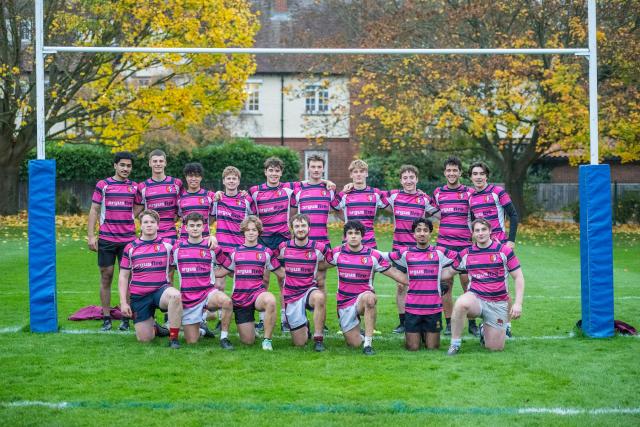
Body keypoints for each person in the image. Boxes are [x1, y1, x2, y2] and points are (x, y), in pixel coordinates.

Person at [325, 220, 408, 356]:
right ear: (345, 236)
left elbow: (395, 273)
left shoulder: (373, 255)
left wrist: (426, 281)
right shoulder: (337, 253)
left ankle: (368, 344)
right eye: (350, 233)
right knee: (353, 343)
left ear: (362, 236)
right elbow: (320, 266)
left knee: (370, 299)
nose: (353, 236)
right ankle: (359, 335)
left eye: (357, 233)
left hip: (362, 297)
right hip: (344, 302)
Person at [445, 219, 525, 355]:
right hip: (476, 298)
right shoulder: (466, 253)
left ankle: (484, 329)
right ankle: (455, 344)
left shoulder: (503, 251)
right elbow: (448, 272)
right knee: (461, 303)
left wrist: (518, 304)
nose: (480, 233)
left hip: (498, 303)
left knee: (495, 348)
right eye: (477, 230)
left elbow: (518, 277)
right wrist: (424, 274)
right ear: (473, 233)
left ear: (490, 231)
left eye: (483, 229)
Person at [214, 216, 283, 351]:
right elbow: (222, 272)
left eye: (254, 230)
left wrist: (303, 270)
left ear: (259, 232)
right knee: (248, 341)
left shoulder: (266, 252)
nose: (251, 232)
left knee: (270, 300)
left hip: (257, 295)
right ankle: (251, 329)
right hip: (240, 300)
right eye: (248, 230)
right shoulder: (235, 252)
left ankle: (267, 341)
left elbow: (281, 273)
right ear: (243, 232)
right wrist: (202, 270)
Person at [384, 164, 439, 334]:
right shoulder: (394, 196)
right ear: (401, 180)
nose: (408, 180)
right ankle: (403, 322)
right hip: (399, 249)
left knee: (421, 284)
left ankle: (423, 317)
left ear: (417, 179)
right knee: (401, 286)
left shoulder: (423, 199)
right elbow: (373, 198)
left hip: (419, 250)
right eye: (405, 178)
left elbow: (439, 213)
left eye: (411, 177)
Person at [467, 161, 519, 336]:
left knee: (502, 288)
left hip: (499, 247)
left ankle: (507, 326)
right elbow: (474, 224)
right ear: (471, 177)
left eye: (481, 173)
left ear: (486, 176)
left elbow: (513, 214)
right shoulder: (471, 197)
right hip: (480, 250)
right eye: (475, 174)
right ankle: (487, 324)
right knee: (480, 286)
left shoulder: (497, 192)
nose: (478, 177)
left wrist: (510, 240)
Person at [118, 210, 183, 349]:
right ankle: (156, 329)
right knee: (145, 339)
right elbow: (123, 276)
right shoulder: (130, 248)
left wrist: (210, 239)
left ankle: (174, 339)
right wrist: (124, 303)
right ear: (140, 226)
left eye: (152, 222)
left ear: (158, 225)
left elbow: (191, 242)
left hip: (160, 291)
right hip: (139, 297)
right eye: (145, 222)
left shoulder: (169, 244)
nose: (149, 225)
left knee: (175, 295)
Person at [87, 151, 137, 332]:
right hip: (107, 239)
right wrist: (92, 236)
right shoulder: (104, 185)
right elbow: (94, 209)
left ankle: (126, 318)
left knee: (129, 279)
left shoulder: (134, 187)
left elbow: (138, 207)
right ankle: (106, 318)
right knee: (106, 276)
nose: (125, 168)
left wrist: (130, 217)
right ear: (115, 166)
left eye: (129, 166)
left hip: (129, 240)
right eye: (122, 165)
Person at [389, 218, 456, 351]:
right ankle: (418, 332)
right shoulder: (406, 253)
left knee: (433, 348)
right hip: (412, 309)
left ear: (430, 233)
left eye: (425, 230)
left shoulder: (440, 252)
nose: (422, 233)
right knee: (412, 347)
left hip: (433, 309)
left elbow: (461, 257)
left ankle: (425, 333)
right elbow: (385, 257)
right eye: (418, 230)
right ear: (413, 234)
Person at [170, 212, 234, 350]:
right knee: (192, 342)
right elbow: (168, 267)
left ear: (204, 227)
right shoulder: (177, 248)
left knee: (227, 301)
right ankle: (202, 330)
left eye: (198, 225)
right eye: (191, 225)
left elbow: (228, 265)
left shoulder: (212, 247)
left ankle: (224, 338)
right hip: (188, 298)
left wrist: (216, 273)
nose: (195, 228)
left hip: (207, 293)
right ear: (185, 228)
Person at [432, 156, 475, 336]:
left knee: (468, 285)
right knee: (445, 286)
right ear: (445, 173)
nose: (451, 173)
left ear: (460, 172)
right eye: (448, 170)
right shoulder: (438, 192)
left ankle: (472, 322)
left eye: (454, 170)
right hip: (444, 247)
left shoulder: (469, 192)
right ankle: (449, 323)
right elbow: (429, 209)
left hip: (465, 246)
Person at [276, 214, 330, 351]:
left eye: (303, 226)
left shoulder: (319, 248)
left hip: (308, 290)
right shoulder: (283, 247)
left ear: (309, 228)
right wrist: (281, 272)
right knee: (300, 343)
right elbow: (268, 259)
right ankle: (305, 325)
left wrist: (319, 268)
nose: (300, 229)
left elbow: (334, 259)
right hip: (291, 294)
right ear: (291, 229)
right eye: (297, 226)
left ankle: (318, 339)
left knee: (319, 297)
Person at [291, 154, 339, 298]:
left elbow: (339, 211)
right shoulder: (298, 188)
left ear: (323, 169)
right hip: (302, 242)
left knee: (321, 282)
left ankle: (320, 320)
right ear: (308, 168)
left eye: (319, 167)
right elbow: (291, 216)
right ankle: (299, 319)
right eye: (313, 167)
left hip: (322, 241)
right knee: (300, 283)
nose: (316, 170)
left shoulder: (329, 189)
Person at [332, 159, 388, 249]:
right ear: (351, 175)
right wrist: (346, 220)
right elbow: (333, 208)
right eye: (355, 172)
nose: (358, 174)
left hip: (369, 244)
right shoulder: (344, 194)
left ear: (366, 174)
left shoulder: (376, 193)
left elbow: (392, 206)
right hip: (349, 244)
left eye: (361, 171)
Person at [134, 149, 182, 242]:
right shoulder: (143, 186)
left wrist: (177, 215)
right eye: (155, 161)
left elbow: (183, 205)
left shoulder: (176, 183)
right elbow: (136, 212)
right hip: (150, 234)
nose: (158, 164)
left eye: (161, 161)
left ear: (165, 163)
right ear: (150, 163)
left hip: (170, 234)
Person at [177, 162, 214, 241]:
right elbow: (178, 217)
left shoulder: (210, 196)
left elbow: (213, 216)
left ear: (201, 177)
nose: (193, 179)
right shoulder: (180, 198)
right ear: (186, 177)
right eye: (190, 176)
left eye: (197, 176)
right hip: (184, 240)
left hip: (205, 239)